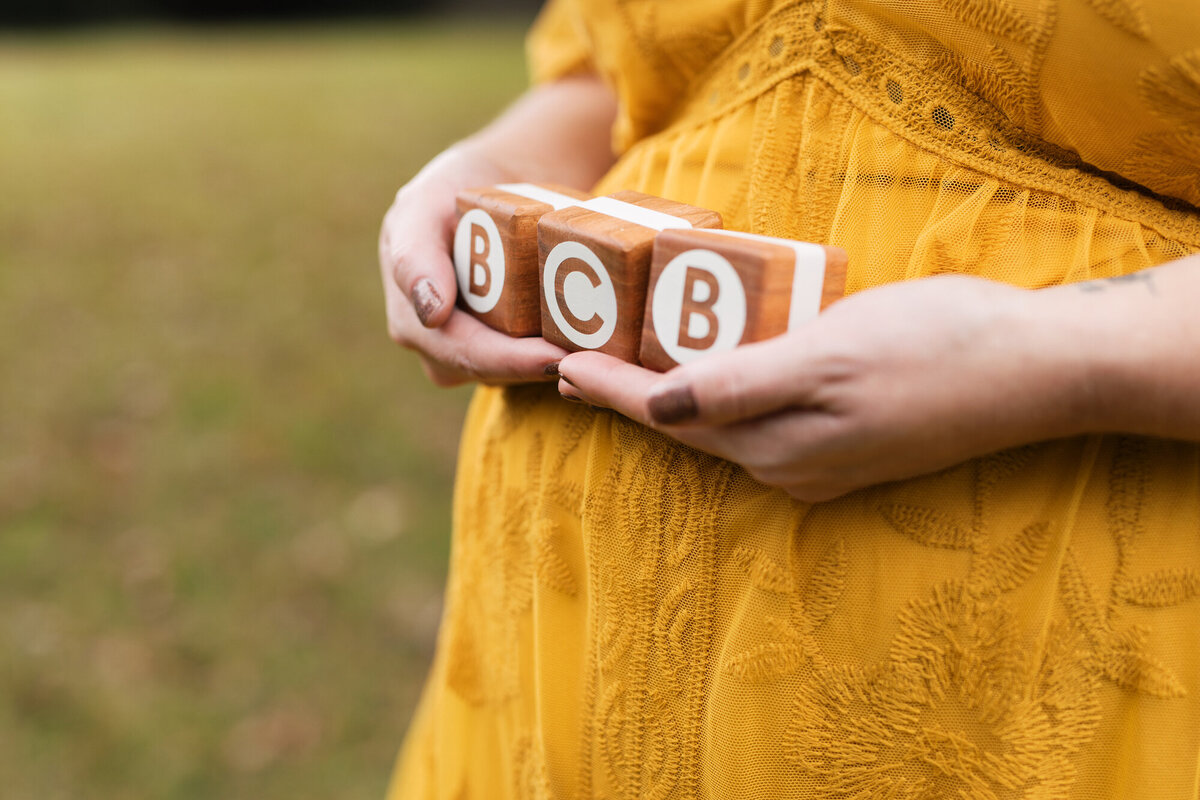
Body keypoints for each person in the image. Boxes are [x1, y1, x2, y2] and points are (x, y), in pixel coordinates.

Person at [379, 1, 1200, 797]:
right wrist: (488, 168)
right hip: (559, 607)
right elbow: (616, 70)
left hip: (1026, 636)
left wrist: (1041, 358)